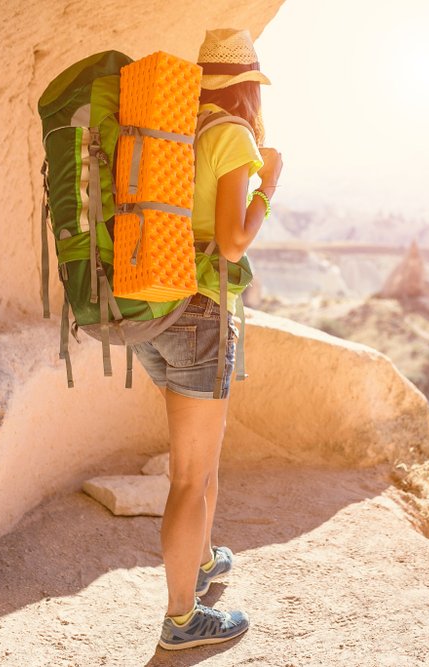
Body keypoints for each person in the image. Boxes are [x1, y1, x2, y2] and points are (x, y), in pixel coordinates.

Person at [128, 28, 282, 651]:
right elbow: (231, 241)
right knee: (190, 476)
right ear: (247, 87)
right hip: (200, 313)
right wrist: (268, 183)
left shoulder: (172, 128)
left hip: (152, 308)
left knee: (203, 459)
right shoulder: (230, 134)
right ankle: (182, 619)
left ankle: (205, 558)